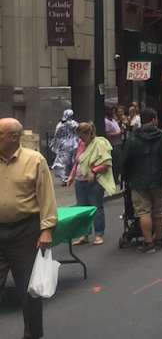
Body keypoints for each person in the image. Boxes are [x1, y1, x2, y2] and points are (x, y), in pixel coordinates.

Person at [0, 118, 57, 339]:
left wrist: (47, 229)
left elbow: (46, 197)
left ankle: (32, 335)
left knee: (29, 290)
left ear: (14, 138)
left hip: (25, 231)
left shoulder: (35, 160)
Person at [122, 108, 162, 253]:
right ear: (153, 120)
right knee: (158, 211)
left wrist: (128, 175)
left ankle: (148, 242)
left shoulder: (133, 139)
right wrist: (161, 168)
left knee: (143, 211)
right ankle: (159, 239)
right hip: (158, 178)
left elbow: (125, 160)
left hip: (139, 180)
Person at [66, 122, 115, 245]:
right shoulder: (81, 144)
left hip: (94, 181)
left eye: (82, 136)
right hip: (80, 180)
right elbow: (77, 162)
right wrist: (71, 175)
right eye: (79, 137)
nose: (80, 139)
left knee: (96, 207)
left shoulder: (100, 143)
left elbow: (107, 162)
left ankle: (99, 234)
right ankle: (84, 234)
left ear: (89, 133)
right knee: (82, 209)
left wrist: (94, 171)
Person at [49, 108, 79, 184]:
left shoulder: (60, 124)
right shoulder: (75, 124)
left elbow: (56, 136)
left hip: (64, 145)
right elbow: (79, 134)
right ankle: (72, 176)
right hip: (74, 145)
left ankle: (64, 178)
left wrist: (54, 146)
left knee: (63, 162)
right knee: (72, 160)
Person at [104, 106, 123, 183]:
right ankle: (114, 179)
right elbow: (107, 133)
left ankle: (116, 177)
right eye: (110, 110)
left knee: (118, 162)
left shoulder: (112, 120)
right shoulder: (106, 121)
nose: (111, 112)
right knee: (115, 162)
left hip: (119, 143)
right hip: (113, 144)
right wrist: (118, 133)